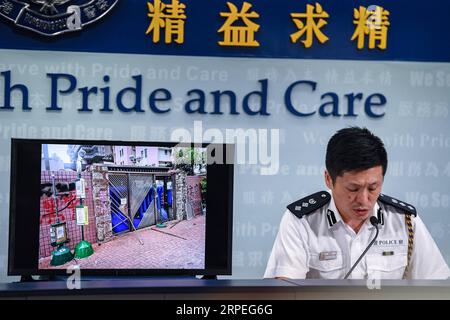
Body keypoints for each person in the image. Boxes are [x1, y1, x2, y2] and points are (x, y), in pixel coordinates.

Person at [264, 127, 450, 280]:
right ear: (329, 179)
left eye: (373, 188)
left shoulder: (404, 220)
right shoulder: (301, 221)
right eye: (353, 189)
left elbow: (436, 286)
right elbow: (284, 292)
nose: (363, 199)